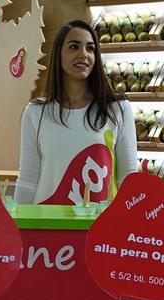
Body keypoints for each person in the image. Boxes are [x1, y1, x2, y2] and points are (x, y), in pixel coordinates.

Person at [15, 19, 137, 205]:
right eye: (74, 47)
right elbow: (28, 180)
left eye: (90, 48)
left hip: (100, 220)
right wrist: (17, 220)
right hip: (47, 219)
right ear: (58, 54)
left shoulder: (117, 108)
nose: (83, 54)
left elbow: (128, 178)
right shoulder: (35, 112)